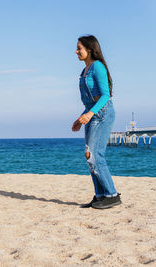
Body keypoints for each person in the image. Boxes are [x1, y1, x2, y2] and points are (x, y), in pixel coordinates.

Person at [72, 35, 121, 209]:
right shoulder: (83, 72)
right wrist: (81, 117)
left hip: (103, 114)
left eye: (79, 48)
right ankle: (100, 195)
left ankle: (112, 194)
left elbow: (106, 96)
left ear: (90, 49)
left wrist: (90, 114)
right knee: (89, 156)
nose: (76, 51)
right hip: (92, 114)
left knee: (95, 155)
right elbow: (90, 101)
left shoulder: (97, 67)